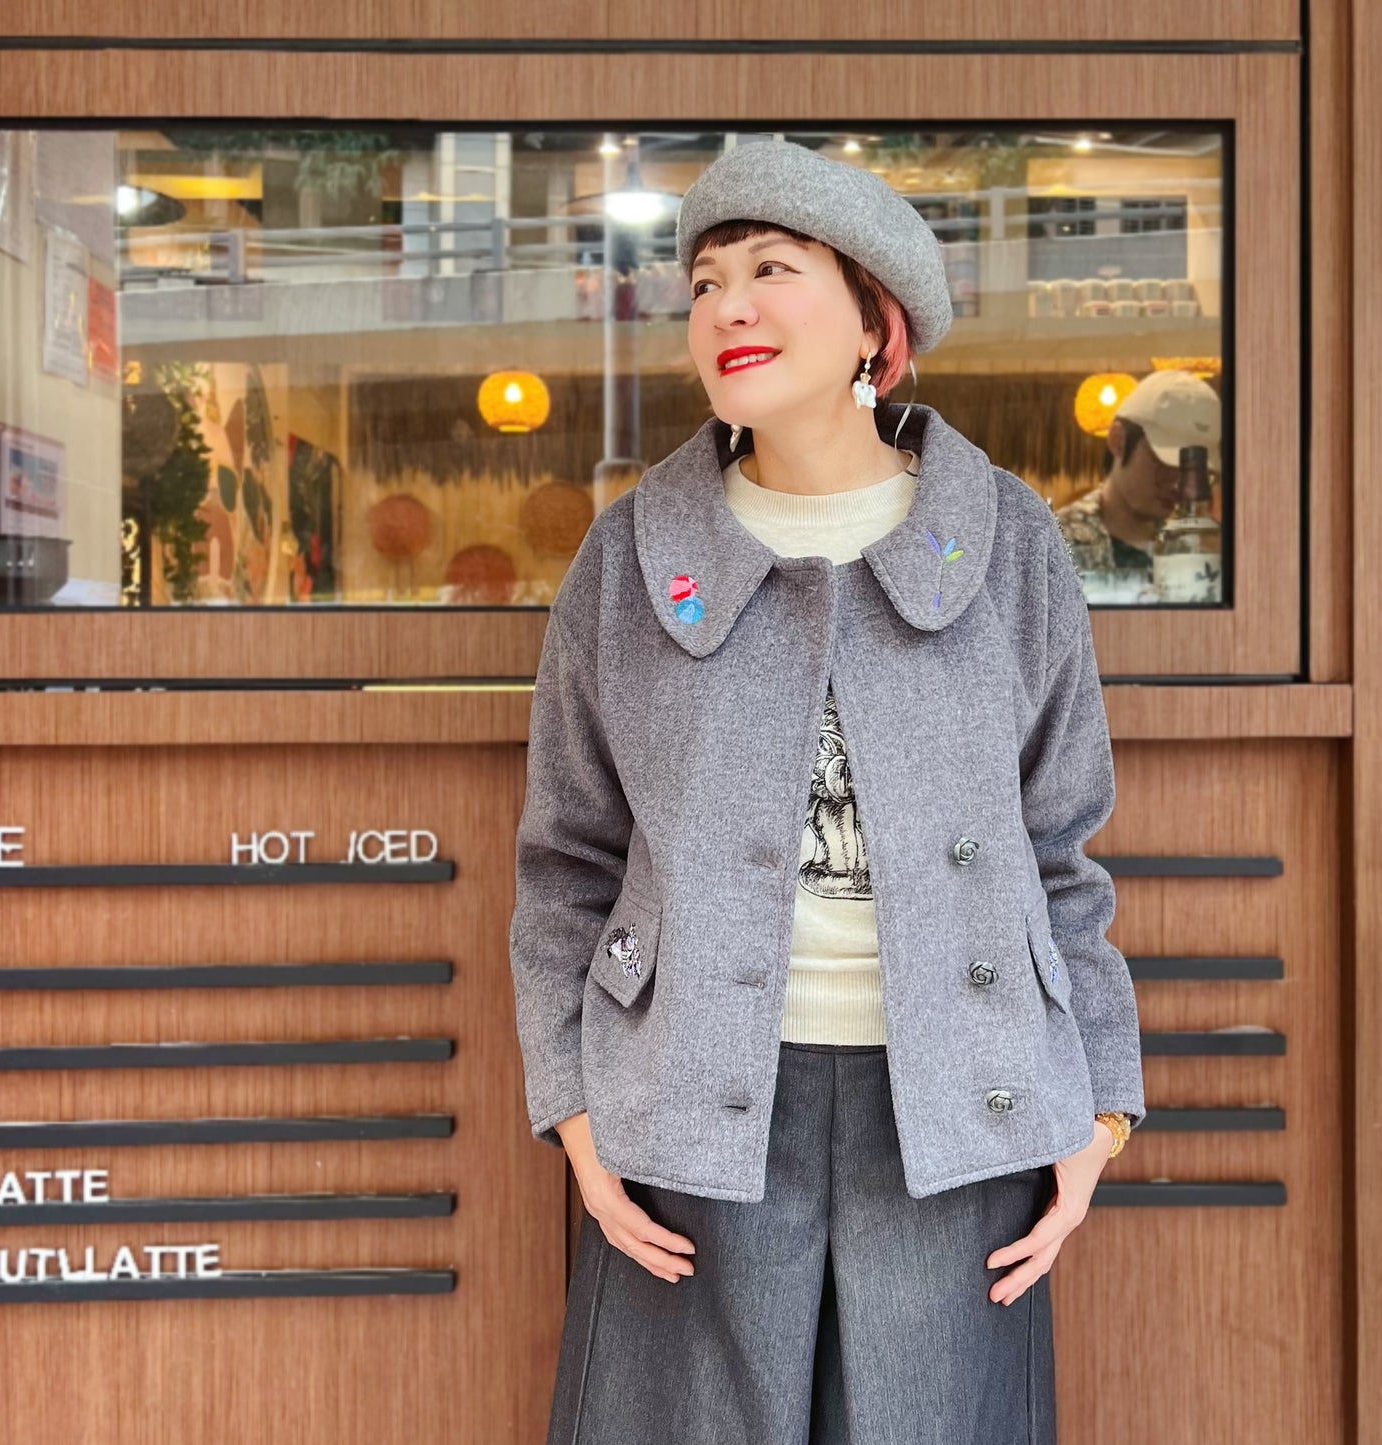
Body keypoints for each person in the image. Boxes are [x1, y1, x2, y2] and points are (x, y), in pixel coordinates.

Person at [508, 138, 1145, 1445]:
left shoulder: (1009, 541)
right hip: (688, 1105)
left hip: (960, 1109)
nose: (727, 306)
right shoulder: (631, 556)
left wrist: (1101, 1114)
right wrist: (573, 1119)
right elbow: (567, 857)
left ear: (874, 322)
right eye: (702, 282)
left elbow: (1062, 845)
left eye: (772, 270)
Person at [1053, 367, 1222, 580]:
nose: (1178, 484)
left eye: (1193, 471)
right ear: (1118, 441)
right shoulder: (1055, 543)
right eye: (1164, 463)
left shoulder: (1201, 549)